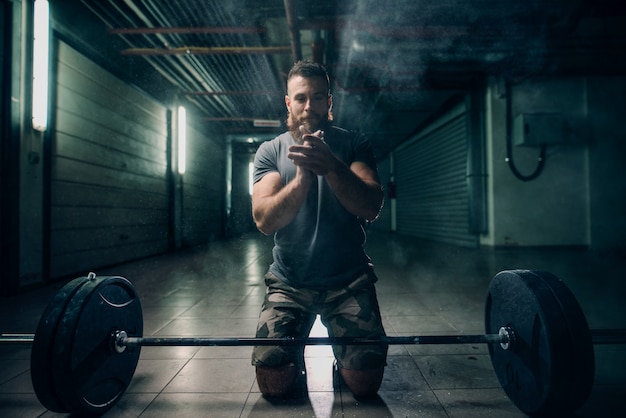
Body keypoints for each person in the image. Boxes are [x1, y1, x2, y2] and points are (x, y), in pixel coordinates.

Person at [250, 60, 387, 400]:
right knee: (273, 384)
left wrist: (331, 167)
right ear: (288, 103)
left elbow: (371, 205)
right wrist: (302, 180)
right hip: (289, 282)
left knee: (365, 387)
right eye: (300, 98)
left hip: (348, 280)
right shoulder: (270, 151)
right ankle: (293, 358)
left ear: (330, 103)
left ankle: (346, 361)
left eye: (317, 97)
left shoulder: (354, 143)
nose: (308, 106)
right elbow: (264, 220)